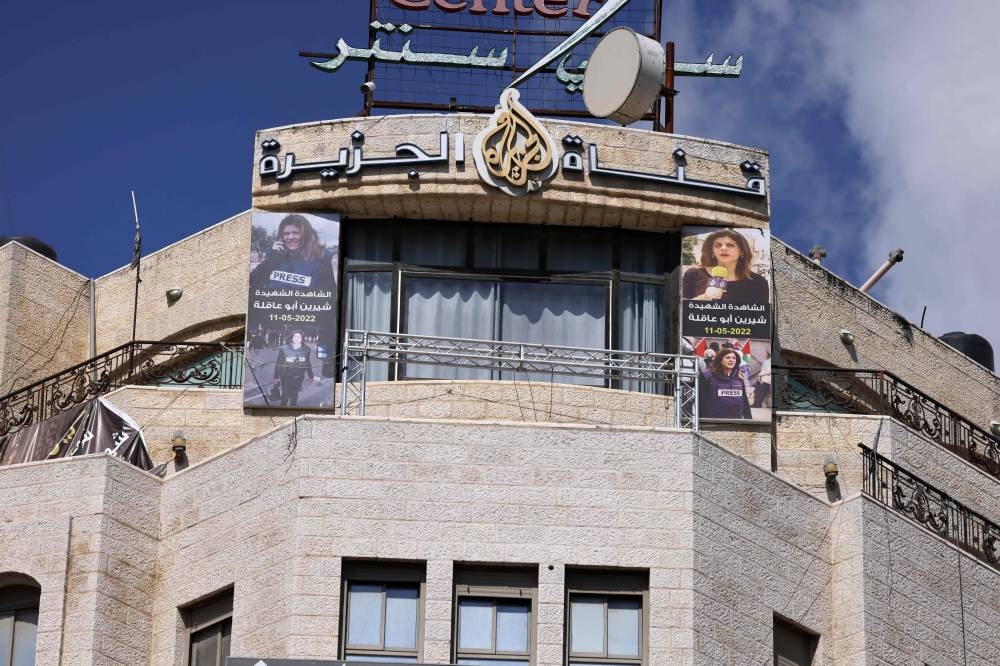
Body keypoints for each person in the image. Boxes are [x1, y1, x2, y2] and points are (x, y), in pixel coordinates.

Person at [250, 214, 335, 291]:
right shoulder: (275, 258)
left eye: (296, 233)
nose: (290, 237)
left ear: (306, 235)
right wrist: (273, 259)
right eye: (286, 234)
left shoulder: (321, 261)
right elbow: (252, 283)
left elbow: (328, 298)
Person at [682, 230, 769, 304]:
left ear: (742, 251)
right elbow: (680, 310)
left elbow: (762, 317)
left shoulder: (758, 282)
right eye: (718, 245)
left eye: (730, 245)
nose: (723, 248)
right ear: (712, 251)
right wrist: (703, 298)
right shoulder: (693, 274)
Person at [698, 348, 752, 419]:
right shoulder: (706, 376)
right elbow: (700, 401)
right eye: (727, 357)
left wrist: (749, 421)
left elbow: (745, 402)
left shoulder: (739, 378)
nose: (731, 360)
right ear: (720, 360)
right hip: (712, 421)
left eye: (734, 358)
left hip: (735, 421)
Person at [274, 330, 321, 407]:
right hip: (286, 377)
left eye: (299, 337)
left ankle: (292, 413)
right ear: (291, 337)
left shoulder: (306, 349)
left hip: (298, 377)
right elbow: (279, 363)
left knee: (294, 396)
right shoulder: (284, 349)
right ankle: (282, 413)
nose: (297, 338)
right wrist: (276, 377)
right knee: (285, 397)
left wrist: (311, 376)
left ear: (302, 339)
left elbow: (307, 363)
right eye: (295, 336)